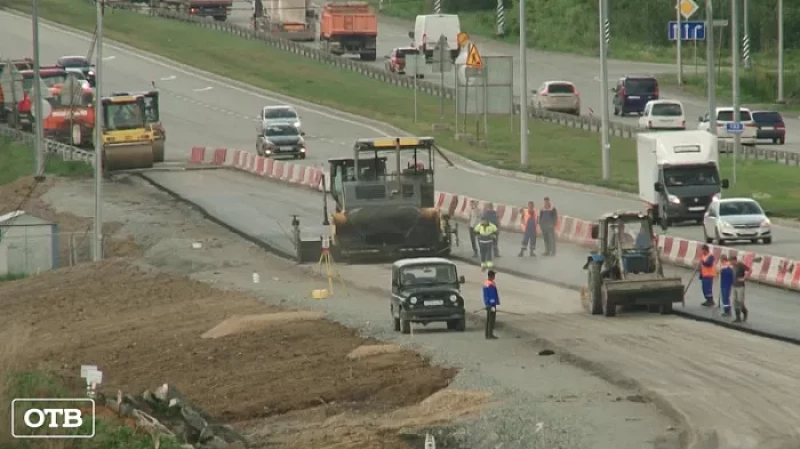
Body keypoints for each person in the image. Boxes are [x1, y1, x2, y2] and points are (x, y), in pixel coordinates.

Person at [731, 256, 751, 323]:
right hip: (734, 286)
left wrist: (744, 278)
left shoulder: (740, 265)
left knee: (740, 302)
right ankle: (738, 317)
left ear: (734, 260)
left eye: (731, 262)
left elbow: (750, 270)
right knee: (734, 302)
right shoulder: (733, 266)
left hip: (740, 286)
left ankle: (745, 312)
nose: (731, 263)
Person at [482, 270, 499, 339]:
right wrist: (493, 305)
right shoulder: (491, 284)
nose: (494, 276)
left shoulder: (486, 283)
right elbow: (492, 296)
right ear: (491, 276)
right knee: (491, 320)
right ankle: (490, 334)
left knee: (488, 320)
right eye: (494, 275)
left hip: (487, 303)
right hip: (491, 304)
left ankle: (487, 334)